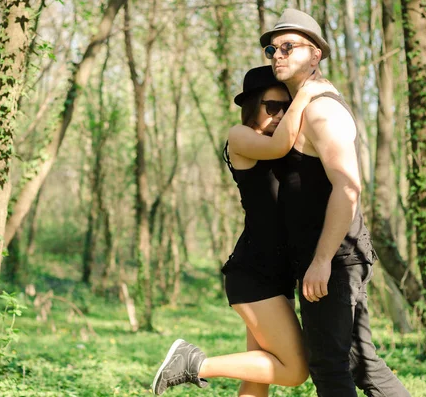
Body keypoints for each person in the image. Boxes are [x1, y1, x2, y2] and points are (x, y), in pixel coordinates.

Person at [151, 66, 334, 396]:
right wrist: (305, 93)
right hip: (254, 272)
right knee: (294, 370)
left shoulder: (286, 146)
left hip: (277, 275)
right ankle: (192, 362)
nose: (281, 114)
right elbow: (279, 146)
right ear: (252, 106)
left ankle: (192, 363)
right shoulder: (241, 136)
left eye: (286, 106)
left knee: (257, 379)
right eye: (273, 106)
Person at [259, 8, 411, 397]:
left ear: (315, 55)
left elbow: (348, 189)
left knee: (329, 364)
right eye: (271, 48)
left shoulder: (323, 111)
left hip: (335, 258)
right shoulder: (301, 110)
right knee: (361, 362)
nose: (277, 54)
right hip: (325, 256)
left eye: (288, 46)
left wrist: (323, 260)